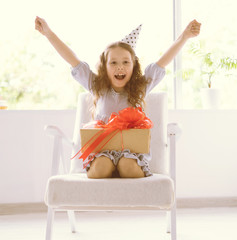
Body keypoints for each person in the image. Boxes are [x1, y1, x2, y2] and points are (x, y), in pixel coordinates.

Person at [35, 16, 201, 179]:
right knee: (101, 167)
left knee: (126, 165)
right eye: (113, 63)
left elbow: (162, 62)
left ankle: (122, 170)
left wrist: (184, 37)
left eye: (125, 62)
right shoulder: (97, 87)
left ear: (133, 65)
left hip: (131, 153)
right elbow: (73, 60)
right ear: (105, 67)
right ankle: (109, 170)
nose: (120, 67)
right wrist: (49, 33)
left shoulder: (140, 88)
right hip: (103, 152)